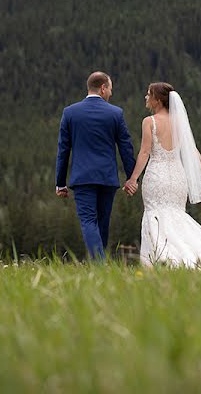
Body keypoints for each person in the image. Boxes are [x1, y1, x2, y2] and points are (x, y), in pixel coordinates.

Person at [124, 82, 201, 269]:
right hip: (178, 178)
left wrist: (133, 179)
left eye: (148, 94)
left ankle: (163, 263)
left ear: (157, 99)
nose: (146, 98)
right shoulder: (179, 123)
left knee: (155, 217)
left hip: (157, 177)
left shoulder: (150, 122)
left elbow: (145, 153)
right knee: (177, 217)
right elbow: (194, 152)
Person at [55, 71, 136, 260]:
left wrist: (60, 183)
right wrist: (131, 177)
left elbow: (63, 150)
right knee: (102, 222)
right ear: (102, 89)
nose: (111, 94)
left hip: (82, 178)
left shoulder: (70, 112)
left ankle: (99, 264)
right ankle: (100, 264)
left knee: (89, 222)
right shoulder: (115, 113)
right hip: (107, 178)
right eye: (110, 89)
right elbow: (126, 148)